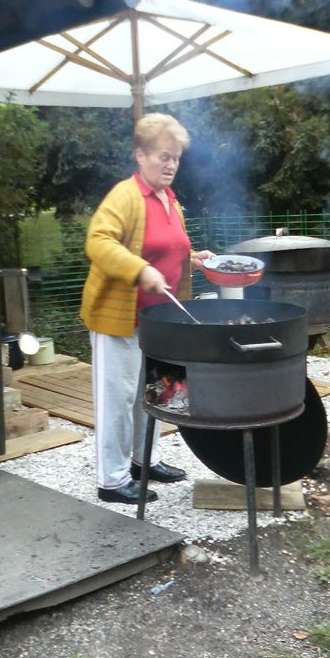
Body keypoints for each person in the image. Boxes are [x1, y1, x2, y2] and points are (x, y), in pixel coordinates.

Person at [80, 113, 214, 505]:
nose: (171, 165)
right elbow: (98, 242)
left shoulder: (170, 200)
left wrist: (192, 259)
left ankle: (145, 461)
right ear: (141, 155)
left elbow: (167, 248)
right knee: (119, 398)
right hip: (119, 319)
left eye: (176, 158)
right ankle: (111, 480)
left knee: (159, 391)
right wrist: (139, 270)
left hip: (162, 320)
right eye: (163, 157)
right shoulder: (125, 196)